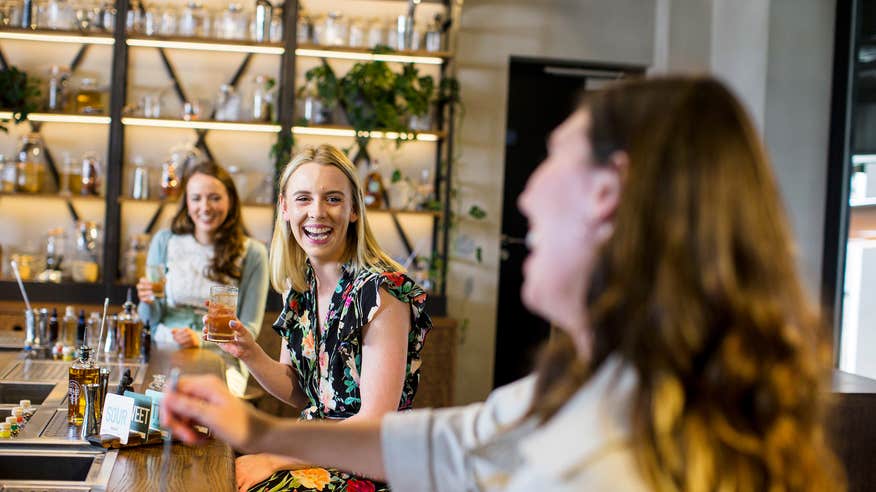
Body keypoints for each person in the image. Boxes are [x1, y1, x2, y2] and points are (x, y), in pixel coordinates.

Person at [163, 76, 845, 491]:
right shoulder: (586, 383)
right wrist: (251, 425)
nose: (526, 200)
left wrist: (266, 443)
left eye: (552, 159)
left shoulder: (614, 461)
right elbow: (447, 443)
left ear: (608, 193)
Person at [204, 144, 432, 492]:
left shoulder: (381, 293)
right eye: (303, 198)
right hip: (315, 451)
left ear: (354, 209)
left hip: (370, 462)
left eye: (333, 199)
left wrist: (274, 457)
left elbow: (373, 423)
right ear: (284, 207)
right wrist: (248, 352)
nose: (317, 212)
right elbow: (299, 390)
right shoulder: (299, 287)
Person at [137, 160, 269, 350]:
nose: (205, 207)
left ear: (230, 201)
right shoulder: (164, 241)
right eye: (196, 198)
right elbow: (150, 320)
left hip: (224, 353)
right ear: (187, 203)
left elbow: (250, 329)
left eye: (215, 198)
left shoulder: (254, 253)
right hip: (166, 344)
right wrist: (146, 301)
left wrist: (200, 340)